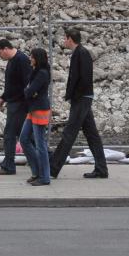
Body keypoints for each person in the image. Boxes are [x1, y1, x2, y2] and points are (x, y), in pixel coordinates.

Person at [50, 27, 109, 179]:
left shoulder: (81, 53)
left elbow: (82, 78)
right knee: (92, 135)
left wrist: (73, 96)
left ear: (70, 39)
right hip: (83, 97)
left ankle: (52, 168)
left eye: (65, 38)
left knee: (69, 133)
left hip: (81, 98)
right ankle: (101, 169)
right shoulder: (80, 53)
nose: (64, 41)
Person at [0, 38, 30, 176]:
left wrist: (25, 104)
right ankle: (48, 159)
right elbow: (12, 84)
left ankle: (8, 166)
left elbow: (27, 84)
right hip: (14, 102)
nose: (0, 56)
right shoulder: (12, 61)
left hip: (19, 104)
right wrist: (3, 97)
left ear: (6, 49)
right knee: (26, 136)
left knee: (9, 135)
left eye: (0, 53)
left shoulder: (21, 60)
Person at [19, 47, 52, 186]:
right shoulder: (36, 72)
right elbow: (30, 91)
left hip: (39, 110)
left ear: (37, 59)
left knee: (40, 145)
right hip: (33, 109)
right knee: (24, 139)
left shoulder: (42, 73)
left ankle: (44, 177)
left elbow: (29, 91)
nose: (30, 59)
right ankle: (36, 171)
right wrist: (30, 92)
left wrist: (30, 92)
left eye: (32, 57)